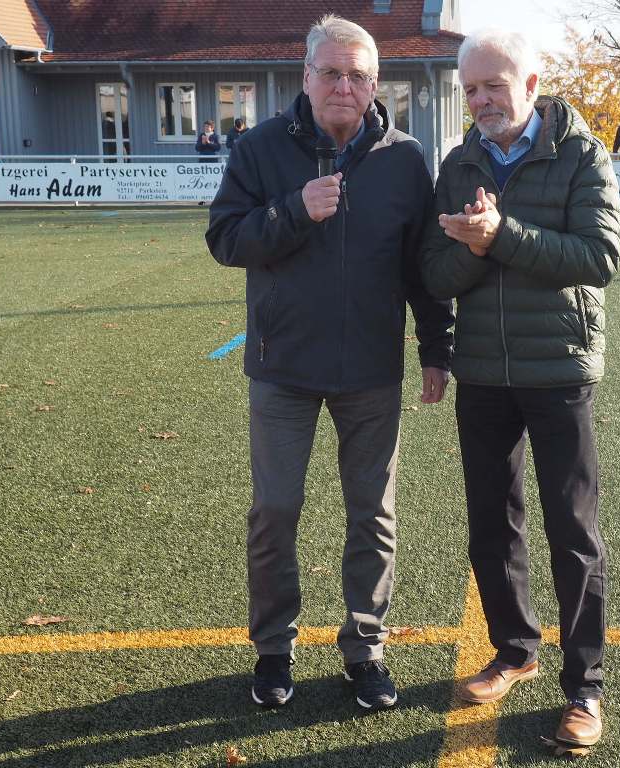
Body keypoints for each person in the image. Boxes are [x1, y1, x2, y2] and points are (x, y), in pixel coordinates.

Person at [205, 14, 454, 713]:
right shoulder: (259, 149)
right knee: (275, 510)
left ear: (376, 84)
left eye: (358, 75)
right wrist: (292, 211)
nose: (344, 85)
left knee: (373, 515)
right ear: (306, 77)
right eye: (331, 72)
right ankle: (273, 649)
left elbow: (421, 268)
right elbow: (224, 238)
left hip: (372, 371)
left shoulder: (406, 158)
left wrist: (436, 348)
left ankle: (365, 649)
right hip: (282, 367)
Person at [420, 28, 620, 751]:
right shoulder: (458, 161)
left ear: (532, 84)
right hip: (484, 374)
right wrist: (474, 248)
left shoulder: (580, 153)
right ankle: (514, 651)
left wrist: (497, 236)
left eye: (493, 86)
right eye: (469, 89)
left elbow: (598, 257)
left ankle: (585, 689)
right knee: (491, 524)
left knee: (573, 531)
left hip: (559, 369)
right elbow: (435, 275)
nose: (479, 101)